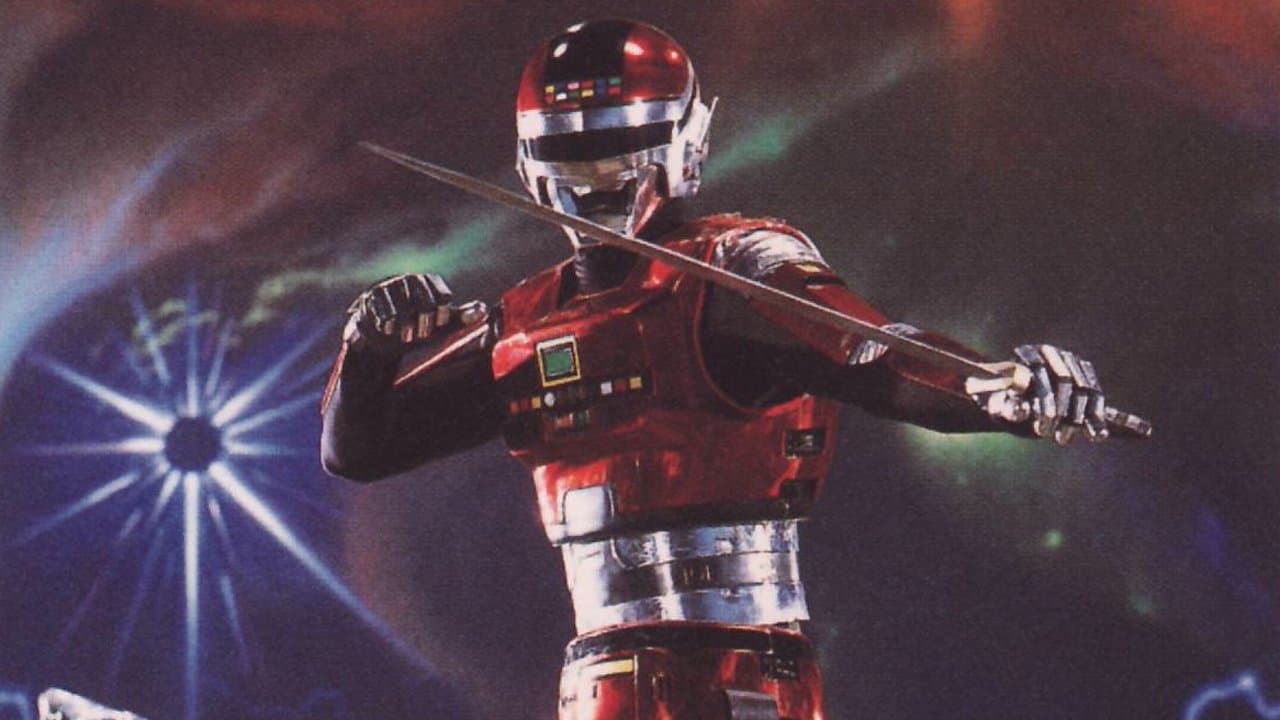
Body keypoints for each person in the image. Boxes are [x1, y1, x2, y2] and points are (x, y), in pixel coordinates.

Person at [321, 19, 1113, 720]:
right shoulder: (523, 323)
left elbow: (872, 353)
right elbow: (358, 449)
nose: (595, 185)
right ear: (532, 165)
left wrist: (996, 389)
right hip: (602, 677)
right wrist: (369, 348)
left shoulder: (734, 272)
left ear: (683, 145)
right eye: (573, 158)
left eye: (617, 155)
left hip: (738, 675)